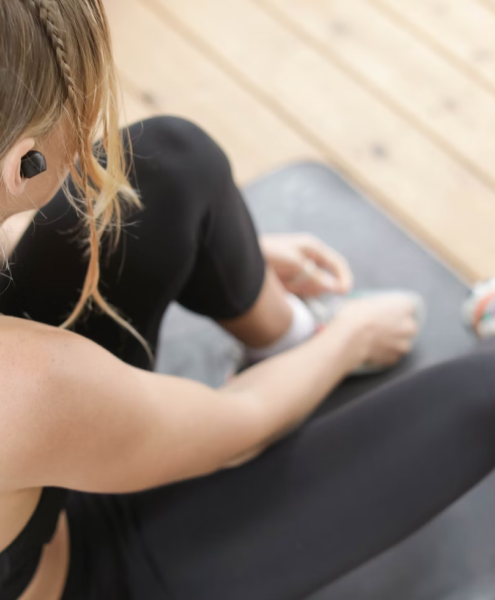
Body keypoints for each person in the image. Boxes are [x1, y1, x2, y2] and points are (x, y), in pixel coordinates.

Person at [2, 2, 495, 600]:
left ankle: (287, 334)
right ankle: (316, 338)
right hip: (85, 577)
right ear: (19, 163)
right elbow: (241, 427)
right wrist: (350, 339)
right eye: (70, 114)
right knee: (482, 395)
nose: (85, 133)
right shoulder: (27, 388)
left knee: (169, 161)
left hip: (34, 465)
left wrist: (235, 250)